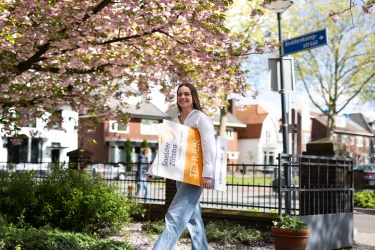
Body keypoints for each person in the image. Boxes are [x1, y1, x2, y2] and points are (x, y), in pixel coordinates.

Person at [147, 83, 216, 250]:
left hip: (197, 174)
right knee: (192, 217)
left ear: (193, 97)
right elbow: (166, 148)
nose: (183, 97)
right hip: (182, 174)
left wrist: (208, 173)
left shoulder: (200, 118)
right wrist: (153, 170)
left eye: (186, 94)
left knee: (175, 215)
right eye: (179, 94)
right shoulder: (174, 121)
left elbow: (209, 145)